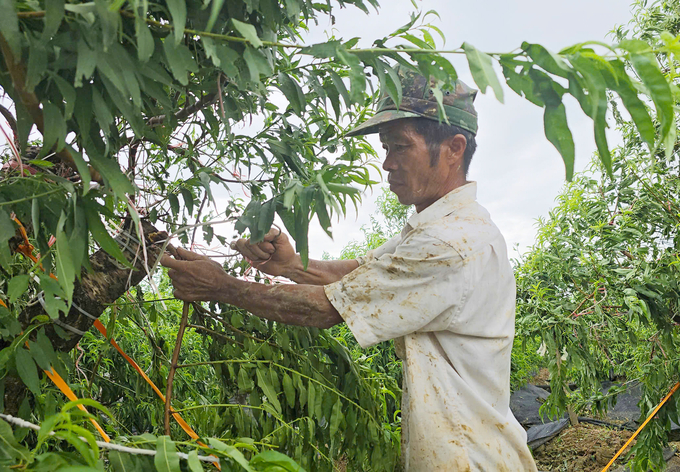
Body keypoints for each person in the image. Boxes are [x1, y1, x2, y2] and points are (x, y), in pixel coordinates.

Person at [161, 70, 538, 471]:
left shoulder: (450, 242)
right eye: (385, 147)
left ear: (453, 148)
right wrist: (290, 265)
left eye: (401, 147)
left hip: (469, 458)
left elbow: (328, 308)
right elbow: (361, 276)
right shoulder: (437, 227)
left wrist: (220, 287)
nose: (387, 163)